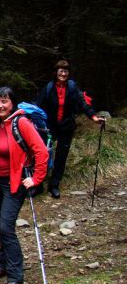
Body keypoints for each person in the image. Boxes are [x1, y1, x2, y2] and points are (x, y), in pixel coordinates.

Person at [0, 87, 49, 284]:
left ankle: (15, 277)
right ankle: (2, 265)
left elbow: (41, 151)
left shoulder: (21, 123)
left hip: (16, 182)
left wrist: (36, 178)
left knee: (6, 227)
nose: (0, 105)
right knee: (1, 223)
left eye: (4, 101)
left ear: (12, 103)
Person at [34, 59, 105, 198]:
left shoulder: (72, 88)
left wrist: (94, 117)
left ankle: (54, 186)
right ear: (56, 72)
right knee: (42, 154)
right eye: (61, 71)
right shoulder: (49, 87)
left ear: (68, 73)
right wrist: (25, 114)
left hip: (67, 127)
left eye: (66, 71)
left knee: (61, 157)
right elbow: (38, 104)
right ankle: (38, 185)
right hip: (50, 127)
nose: (63, 74)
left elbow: (83, 103)